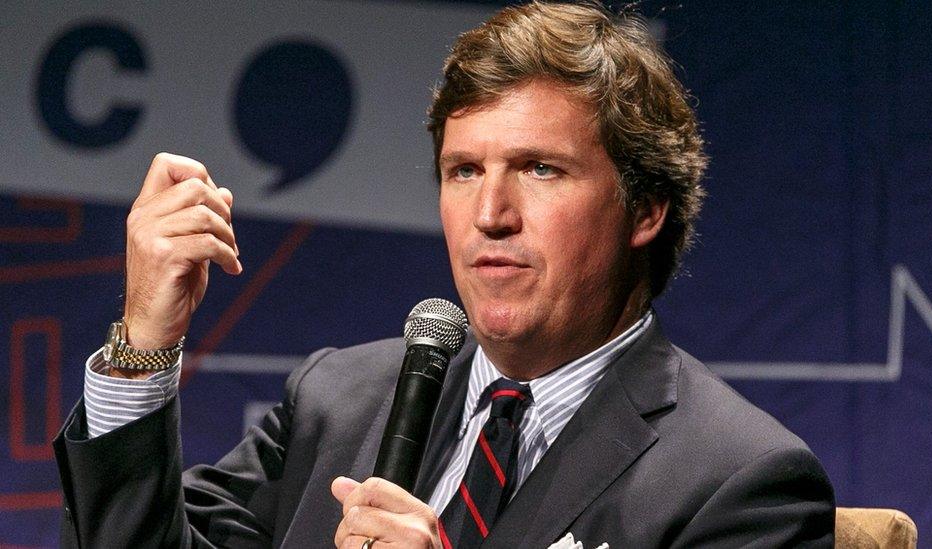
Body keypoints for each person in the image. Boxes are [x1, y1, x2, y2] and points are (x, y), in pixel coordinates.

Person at [54, 2, 835, 547]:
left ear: (645, 210)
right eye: (463, 171)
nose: (490, 211)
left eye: (540, 168)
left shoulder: (740, 481)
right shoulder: (337, 398)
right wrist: (143, 345)